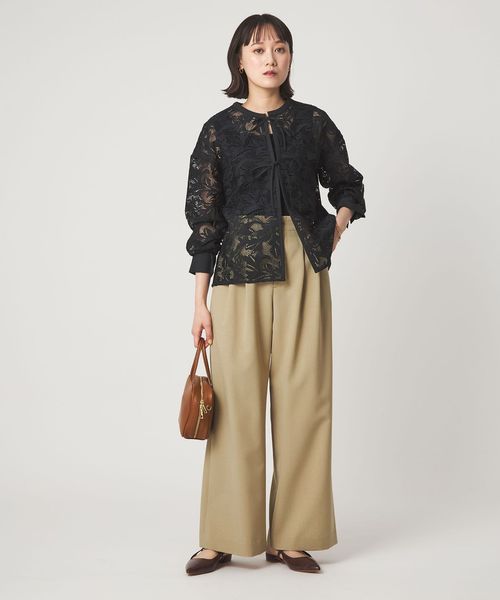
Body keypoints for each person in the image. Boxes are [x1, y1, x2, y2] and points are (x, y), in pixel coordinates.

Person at [184, 13, 366, 576]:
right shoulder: (219, 130)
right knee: (234, 403)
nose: (270, 59)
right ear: (239, 59)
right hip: (238, 269)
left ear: (290, 58)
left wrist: (337, 224)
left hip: (303, 264)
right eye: (258, 49)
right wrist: (200, 302)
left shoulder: (312, 123)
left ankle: (294, 535)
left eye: (280, 48)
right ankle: (223, 534)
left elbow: (348, 182)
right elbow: (205, 221)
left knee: (305, 398)